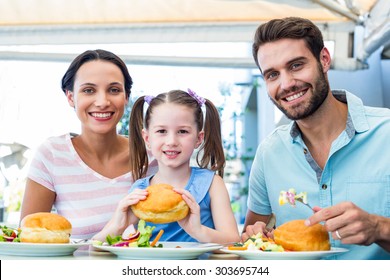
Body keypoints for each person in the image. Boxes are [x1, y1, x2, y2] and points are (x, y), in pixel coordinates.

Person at [242, 17, 390, 259]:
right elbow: (253, 239)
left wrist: (379, 227)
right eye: (272, 75)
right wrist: (256, 236)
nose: (286, 84)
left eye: (296, 65)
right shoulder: (269, 153)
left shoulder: (386, 133)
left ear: (324, 59)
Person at [20, 49, 157, 239]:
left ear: (126, 97)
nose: (102, 102)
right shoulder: (53, 154)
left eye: (114, 90)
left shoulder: (153, 154)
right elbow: (28, 238)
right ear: (70, 97)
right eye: (88, 90)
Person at [94, 89, 240, 244]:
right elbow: (94, 247)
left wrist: (199, 231)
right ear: (147, 138)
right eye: (162, 131)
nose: (171, 141)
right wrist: (119, 225)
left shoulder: (212, 183)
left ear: (198, 138)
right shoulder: (140, 192)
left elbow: (234, 241)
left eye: (182, 131)